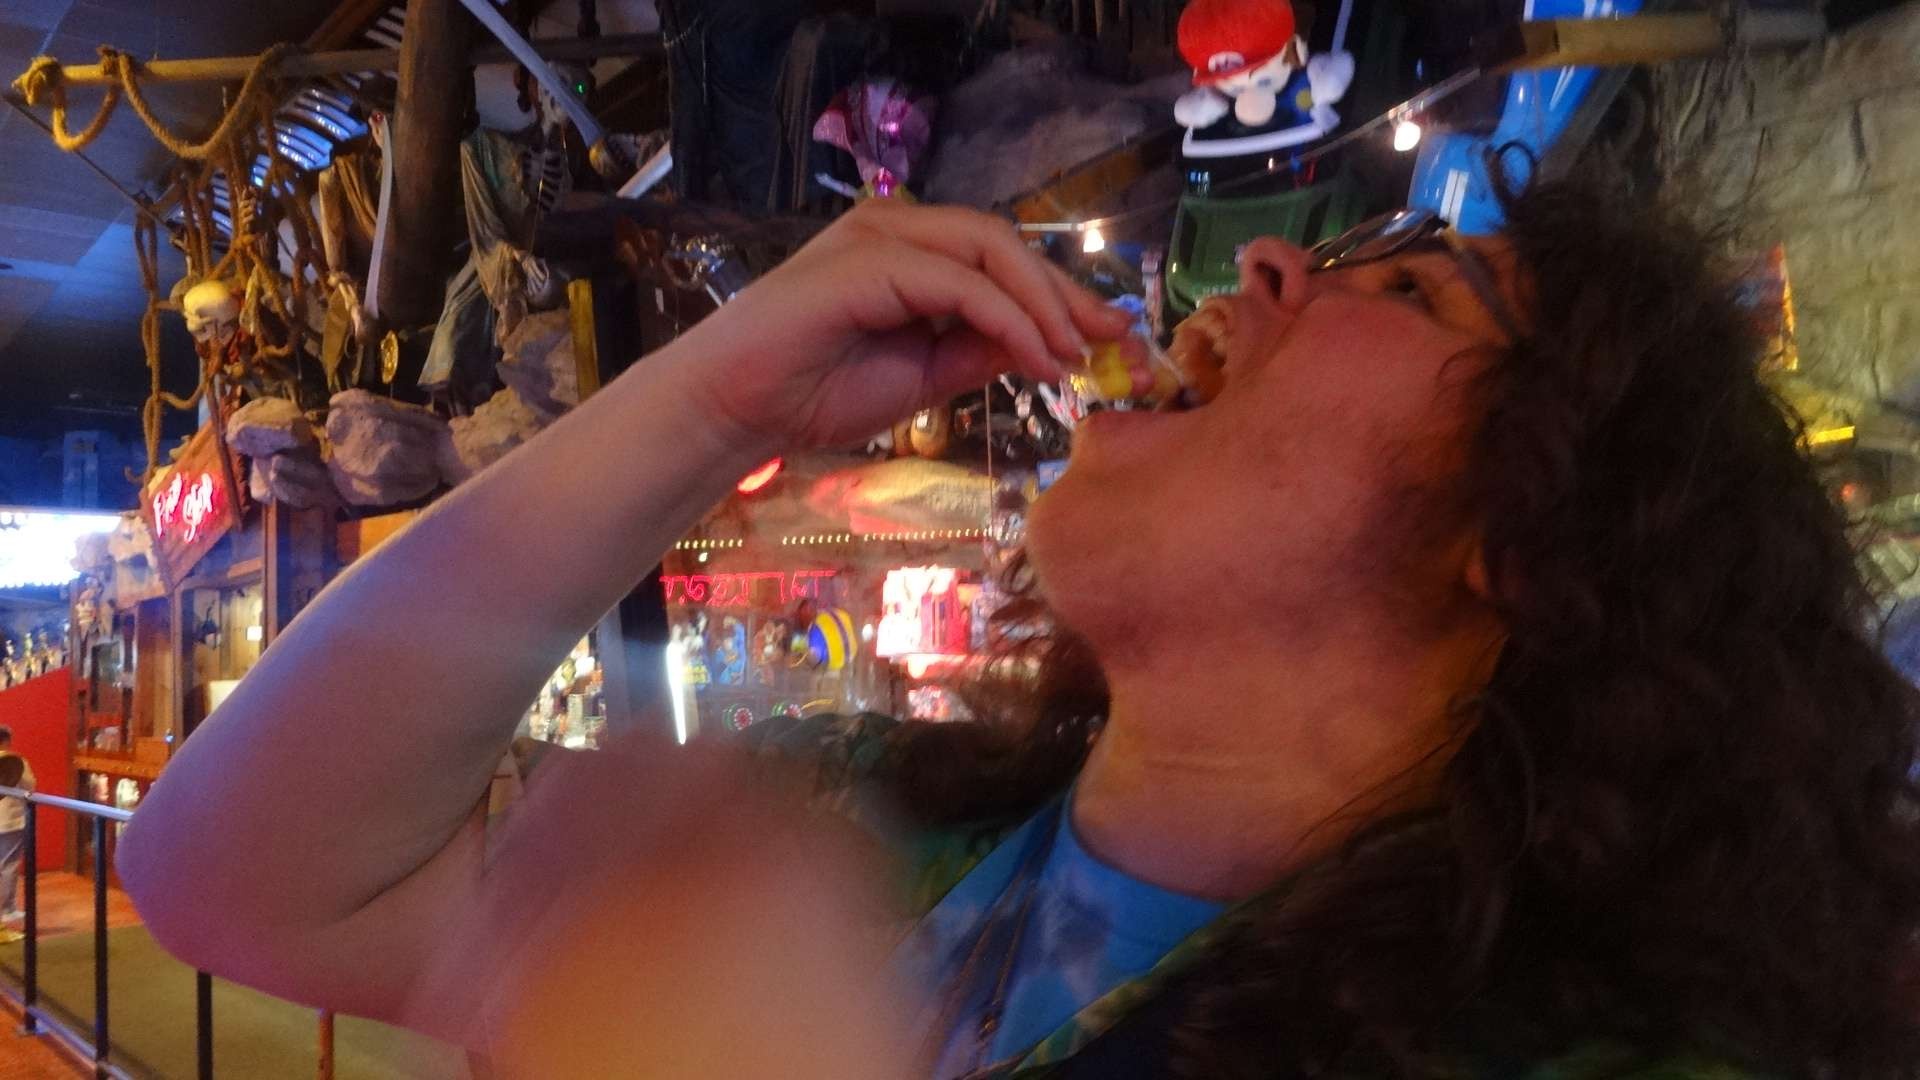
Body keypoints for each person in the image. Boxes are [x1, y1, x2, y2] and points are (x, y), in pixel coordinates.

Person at [116, 183, 1920, 1078]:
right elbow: (233, 876)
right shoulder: (859, 826)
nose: (1266, 266)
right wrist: (716, 399)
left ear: (1528, 537)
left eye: (1410, 287)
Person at [0, 726, 36, 937]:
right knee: (8, 865)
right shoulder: (16, 762)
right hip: (10, 821)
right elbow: (30, 785)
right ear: (6, 740)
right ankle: (6, 909)